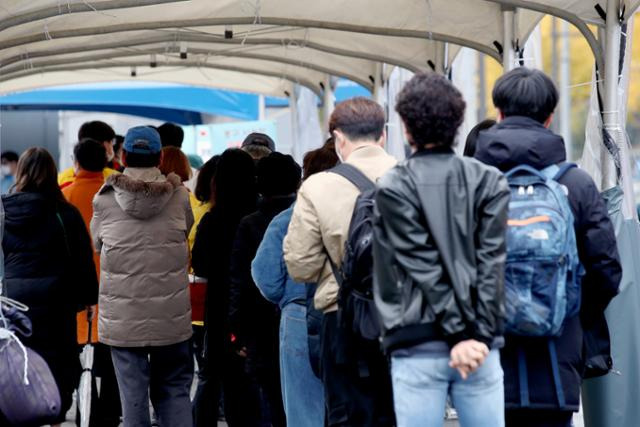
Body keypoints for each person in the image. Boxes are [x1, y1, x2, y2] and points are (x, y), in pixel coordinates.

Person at [473, 67, 622, 427]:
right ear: (550, 116)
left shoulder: (471, 181)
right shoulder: (577, 183)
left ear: (499, 114)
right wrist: (568, 309)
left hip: (486, 355)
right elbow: (607, 270)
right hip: (558, 356)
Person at [373, 73, 509, 427]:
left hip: (416, 341)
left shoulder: (392, 185)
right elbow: (492, 264)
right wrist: (475, 335)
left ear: (405, 127)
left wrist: (462, 336)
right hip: (480, 346)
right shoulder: (489, 180)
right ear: (458, 123)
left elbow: (423, 266)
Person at [283, 97, 397, 426]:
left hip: (342, 319)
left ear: (339, 139)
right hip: (403, 319)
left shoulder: (317, 187)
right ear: (383, 136)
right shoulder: (411, 177)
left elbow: (300, 266)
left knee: (345, 415)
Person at [91, 126, 194, 427]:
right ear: (161, 157)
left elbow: (97, 243)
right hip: (171, 316)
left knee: (132, 397)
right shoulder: (179, 197)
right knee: (174, 392)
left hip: (123, 318)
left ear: (122, 156)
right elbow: (185, 232)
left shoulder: (104, 199)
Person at [3, 147, 98, 426]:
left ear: (20, 172)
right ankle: (55, 417)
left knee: (20, 357)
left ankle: (20, 410)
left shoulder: (4, 212)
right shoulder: (64, 213)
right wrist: (90, 299)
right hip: (58, 300)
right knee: (59, 359)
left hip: (14, 301)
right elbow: (83, 257)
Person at [251, 145, 338, 427]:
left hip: (299, 315)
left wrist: (287, 297)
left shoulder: (287, 218)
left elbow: (265, 274)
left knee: (303, 411)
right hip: (349, 314)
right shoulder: (360, 213)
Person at [228, 153, 301, 427]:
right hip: (305, 316)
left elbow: (241, 281)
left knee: (271, 400)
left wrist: (238, 332)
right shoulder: (307, 215)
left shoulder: (251, 223)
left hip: (261, 327)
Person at [191, 148, 260, 427]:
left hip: (219, 310)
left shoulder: (213, 219)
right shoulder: (260, 218)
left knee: (220, 380)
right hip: (259, 308)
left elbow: (201, 266)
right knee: (253, 386)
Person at [62, 138, 122, 426]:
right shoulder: (119, 195)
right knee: (113, 354)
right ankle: (110, 410)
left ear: (76, 161)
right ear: (106, 160)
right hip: (116, 284)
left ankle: (88, 407)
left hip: (76, 287)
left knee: (76, 350)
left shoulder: (65, 195)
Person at [59, 121, 119, 188]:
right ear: (104, 145)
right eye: (111, 142)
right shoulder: (116, 179)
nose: (112, 146)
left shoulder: (61, 179)